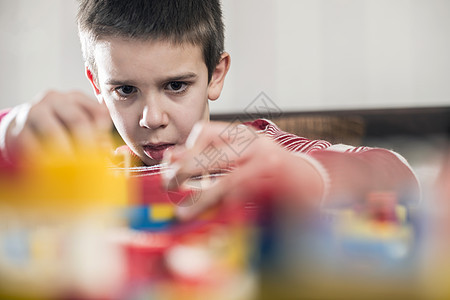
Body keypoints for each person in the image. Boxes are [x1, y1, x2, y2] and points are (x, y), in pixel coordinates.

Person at [0, 0, 419, 220]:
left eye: (176, 86)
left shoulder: (248, 146)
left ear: (215, 75)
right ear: (96, 86)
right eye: (125, 90)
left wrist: (303, 176)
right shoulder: (73, 163)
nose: (152, 118)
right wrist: (10, 134)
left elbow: (397, 174)